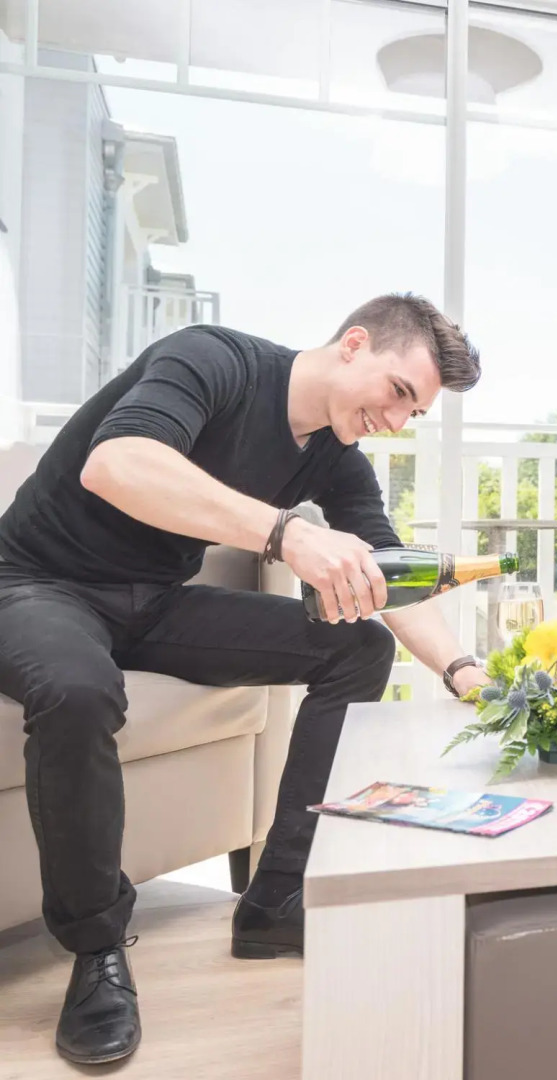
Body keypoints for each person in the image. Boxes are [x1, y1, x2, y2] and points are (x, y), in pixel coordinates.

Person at [0, 293, 495, 1065]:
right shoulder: (214, 360)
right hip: (35, 583)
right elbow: (117, 463)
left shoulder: (333, 455)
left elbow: (388, 578)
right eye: (399, 392)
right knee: (79, 690)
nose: (397, 421)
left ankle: (275, 900)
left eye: (414, 413)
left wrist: (467, 674)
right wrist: (285, 533)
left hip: (152, 604)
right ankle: (96, 951)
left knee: (357, 647)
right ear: (354, 345)